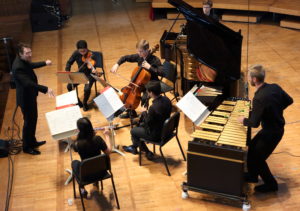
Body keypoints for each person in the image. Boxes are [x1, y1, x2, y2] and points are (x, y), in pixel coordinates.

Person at [237, 64, 293, 193]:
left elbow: (254, 123)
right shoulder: (275, 87)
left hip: (272, 133)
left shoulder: (259, 98)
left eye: (249, 77)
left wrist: (243, 120)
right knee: (252, 147)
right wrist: (274, 110)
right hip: (274, 128)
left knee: (258, 158)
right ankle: (252, 176)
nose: (248, 80)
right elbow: (289, 100)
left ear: (255, 79)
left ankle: (271, 185)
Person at [12, 43, 55, 155]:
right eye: (27, 53)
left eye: (30, 52)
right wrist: (46, 89)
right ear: (20, 54)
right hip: (25, 99)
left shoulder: (22, 61)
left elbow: (31, 65)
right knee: (28, 122)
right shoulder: (18, 67)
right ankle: (26, 147)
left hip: (30, 96)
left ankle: (32, 141)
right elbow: (28, 83)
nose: (30, 55)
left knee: (33, 119)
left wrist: (44, 63)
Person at [110, 39, 163, 118]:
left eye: (141, 51)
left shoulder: (155, 60)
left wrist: (150, 67)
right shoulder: (139, 57)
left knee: (144, 98)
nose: (138, 53)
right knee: (127, 92)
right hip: (140, 83)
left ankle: (143, 116)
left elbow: (162, 72)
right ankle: (131, 113)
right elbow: (125, 58)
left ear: (147, 50)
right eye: (138, 51)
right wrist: (117, 64)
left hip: (152, 83)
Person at [122, 81, 172, 160]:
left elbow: (148, 123)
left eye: (147, 92)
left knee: (133, 131)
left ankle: (147, 152)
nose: (147, 94)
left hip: (157, 135)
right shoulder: (167, 99)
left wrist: (144, 112)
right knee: (139, 125)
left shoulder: (153, 108)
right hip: (167, 130)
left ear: (151, 93)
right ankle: (134, 146)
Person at [72, 117, 112, 198]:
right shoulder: (97, 139)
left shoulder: (77, 144)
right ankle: (96, 183)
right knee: (95, 161)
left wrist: (78, 136)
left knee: (75, 163)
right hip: (101, 171)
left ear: (79, 130)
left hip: (86, 175)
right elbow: (108, 152)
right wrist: (107, 135)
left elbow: (76, 148)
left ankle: (82, 189)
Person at [65, 40, 98, 111]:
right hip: (80, 74)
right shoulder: (76, 53)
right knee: (69, 86)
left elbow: (93, 66)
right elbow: (69, 63)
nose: (83, 53)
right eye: (81, 51)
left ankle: (85, 102)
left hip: (89, 75)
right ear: (78, 50)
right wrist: (67, 71)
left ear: (87, 48)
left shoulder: (91, 55)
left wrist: (93, 69)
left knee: (87, 89)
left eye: (84, 51)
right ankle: (77, 101)